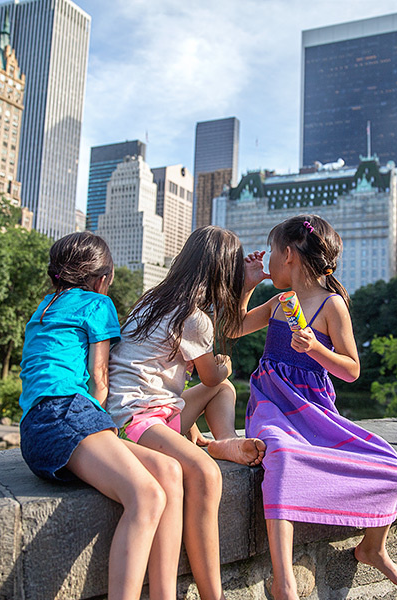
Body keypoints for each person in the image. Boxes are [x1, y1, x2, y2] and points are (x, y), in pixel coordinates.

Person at [236, 215, 397, 599]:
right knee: (280, 455)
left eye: (271, 255)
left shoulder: (332, 306)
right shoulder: (279, 302)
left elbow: (351, 370)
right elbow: (233, 328)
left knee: (396, 470)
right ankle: (284, 581)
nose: (267, 265)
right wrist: (248, 285)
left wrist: (315, 347)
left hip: (316, 411)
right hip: (272, 404)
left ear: (289, 255)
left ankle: (372, 548)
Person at [18, 231, 182, 600]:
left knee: (169, 471)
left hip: (38, 428)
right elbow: (100, 381)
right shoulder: (96, 304)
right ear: (102, 279)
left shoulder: (45, 306)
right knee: (147, 496)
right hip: (66, 414)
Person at [106, 225, 266, 600]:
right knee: (207, 475)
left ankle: (222, 442)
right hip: (135, 419)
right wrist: (223, 364)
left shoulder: (153, 301)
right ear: (220, 273)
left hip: (154, 410)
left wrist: (247, 286)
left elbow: (219, 334)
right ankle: (215, 595)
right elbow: (212, 372)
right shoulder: (192, 317)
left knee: (220, 392)